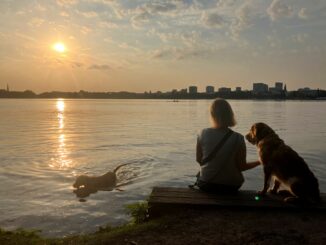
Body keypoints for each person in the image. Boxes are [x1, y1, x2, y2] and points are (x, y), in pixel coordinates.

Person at [195, 98, 260, 193]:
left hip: (206, 184)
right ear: (230, 114)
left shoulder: (202, 133)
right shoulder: (238, 138)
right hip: (231, 186)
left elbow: (199, 159)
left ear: (212, 115)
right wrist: (259, 161)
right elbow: (242, 167)